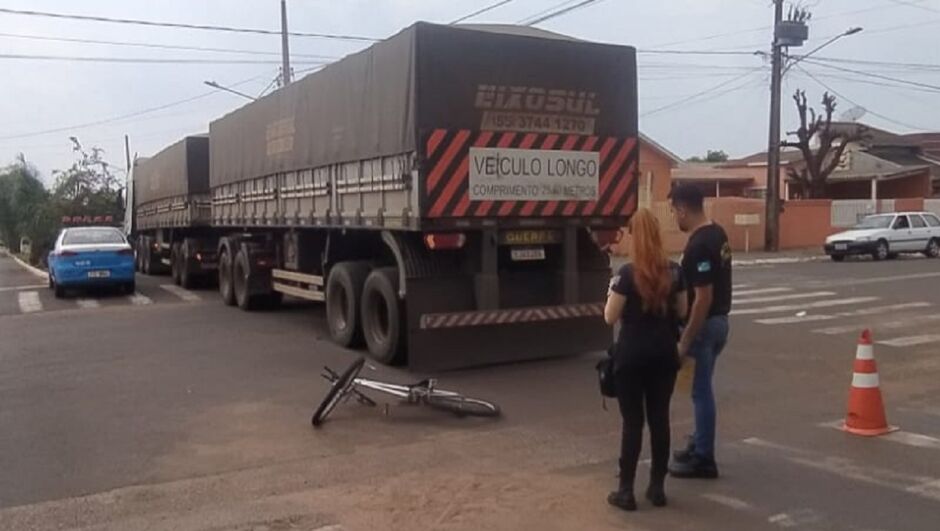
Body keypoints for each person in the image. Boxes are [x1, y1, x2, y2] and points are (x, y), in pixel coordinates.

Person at [604, 208, 688, 511]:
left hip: (631, 356)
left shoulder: (627, 274)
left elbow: (610, 316)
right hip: (664, 354)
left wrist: (611, 294)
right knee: (660, 419)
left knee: (632, 423)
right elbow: (682, 311)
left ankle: (625, 490)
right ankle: (657, 487)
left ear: (636, 237)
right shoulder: (675, 271)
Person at [667, 184, 732, 479]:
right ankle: (698, 442)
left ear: (683, 209)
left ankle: (704, 458)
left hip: (705, 326)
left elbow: (702, 298)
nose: (673, 218)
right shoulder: (717, 233)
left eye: (673, 212)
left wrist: (685, 340)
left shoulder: (699, 245)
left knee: (700, 392)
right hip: (719, 323)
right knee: (699, 388)